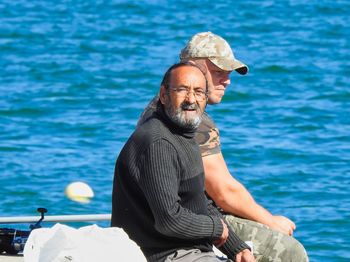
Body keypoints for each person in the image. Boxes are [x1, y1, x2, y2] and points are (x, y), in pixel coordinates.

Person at [138, 32, 308, 261]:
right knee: (290, 251)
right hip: (190, 223)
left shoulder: (158, 107)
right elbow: (223, 191)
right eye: (218, 71)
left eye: (228, 73)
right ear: (192, 68)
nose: (227, 80)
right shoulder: (190, 119)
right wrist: (271, 222)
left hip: (177, 216)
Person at [111, 62, 255, 262]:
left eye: (198, 92)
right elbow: (169, 220)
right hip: (163, 254)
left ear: (205, 99)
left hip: (191, 250)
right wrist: (214, 228)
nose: (191, 99)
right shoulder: (158, 143)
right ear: (163, 95)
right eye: (182, 90)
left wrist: (237, 248)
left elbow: (199, 202)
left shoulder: (184, 135)